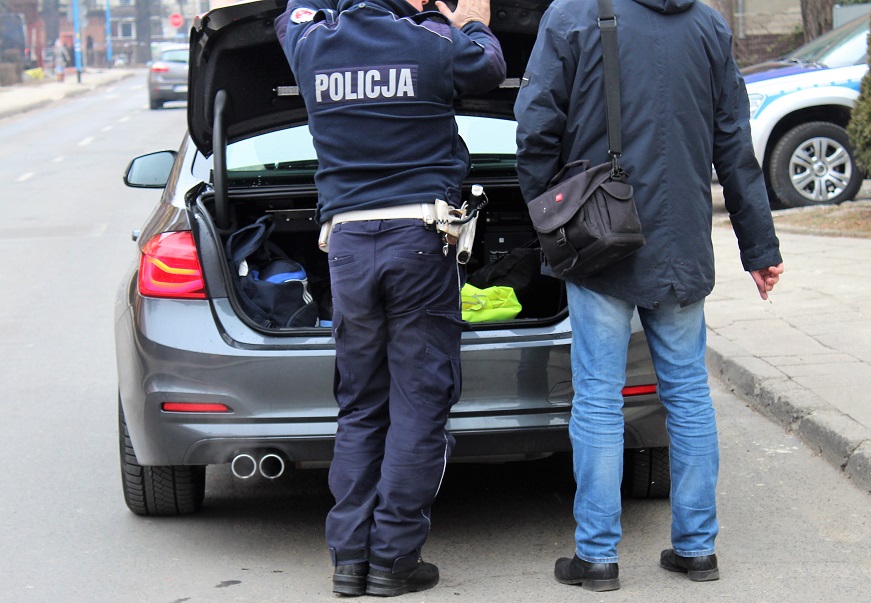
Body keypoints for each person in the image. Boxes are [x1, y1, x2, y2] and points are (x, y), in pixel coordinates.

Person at [515, 0, 784, 592]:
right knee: (687, 394)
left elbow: (536, 125)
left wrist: (548, 216)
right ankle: (696, 549)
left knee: (598, 399)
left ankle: (597, 558)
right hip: (682, 243)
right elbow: (733, 144)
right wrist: (759, 248)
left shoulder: (573, 14)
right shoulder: (709, 24)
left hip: (598, 241)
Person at [276, 0, 505, 597]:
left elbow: (292, 12)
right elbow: (489, 66)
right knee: (419, 402)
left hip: (347, 247)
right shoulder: (432, 41)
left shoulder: (312, 43)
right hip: (420, 241)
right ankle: (394, 561)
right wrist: (466, 19)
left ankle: (350, 561)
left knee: (359, 405)